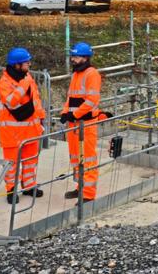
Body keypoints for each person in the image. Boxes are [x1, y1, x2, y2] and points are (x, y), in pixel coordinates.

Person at [0, 47, 46, 204]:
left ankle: (29, 186)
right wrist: (24, 84)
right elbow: (11, 101)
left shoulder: (27, 77)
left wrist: (42, 117)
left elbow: (35, 99)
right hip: (12, 133)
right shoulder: (4, 83)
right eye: (26, 62)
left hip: (31, 130)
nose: (29, 65)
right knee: (11, 165)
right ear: (17, 65)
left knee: (31, 161)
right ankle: (11, 190)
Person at [60, 42, 103, 204]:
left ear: (85, 58)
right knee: (76, 157)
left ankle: (88, 194)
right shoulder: (76, 74)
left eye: (76, 56)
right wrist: (65, 113)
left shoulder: (92, 74)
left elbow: (92, 100)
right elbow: (70, 97)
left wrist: (74, 114)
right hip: (74, 123)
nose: (73, 59)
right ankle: (80, 187)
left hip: (86, 124)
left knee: (88, 158)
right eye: (73, 56)